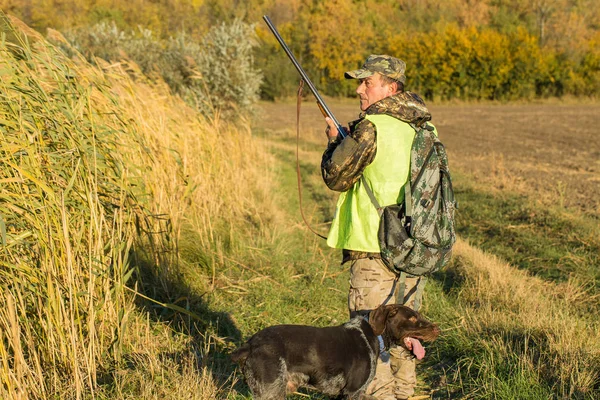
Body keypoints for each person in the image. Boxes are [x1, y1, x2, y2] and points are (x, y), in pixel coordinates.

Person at [321, 55, 435, 400]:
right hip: (413, 249)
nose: (359, 89)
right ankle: (404, 394)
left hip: (374, 248)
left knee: (371, 339)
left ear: (391, 87)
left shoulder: (371, 127)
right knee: (404, 334)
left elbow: (336, 176)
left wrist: (333, 142)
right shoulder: (424, 126)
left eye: (366, 82)